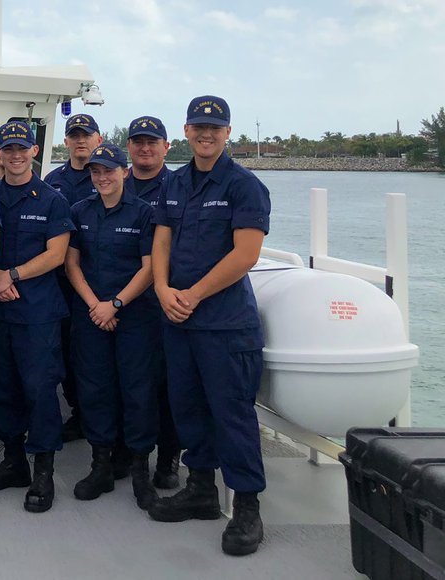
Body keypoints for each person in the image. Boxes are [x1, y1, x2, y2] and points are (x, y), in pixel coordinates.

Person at [148, 96, 270, 557]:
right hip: (178, 320)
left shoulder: (244, 186)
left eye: (214, 128)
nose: (206, 134)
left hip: (224, 325)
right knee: (189, 409)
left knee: (232, 415)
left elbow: (246, 254)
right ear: (186, 130)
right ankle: (200, 490)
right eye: (199, 126)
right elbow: (162, 240)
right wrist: (162, 288)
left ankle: (247, 508)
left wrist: (193, 295)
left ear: (227, 133)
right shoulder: (174, 182)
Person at [0, 120, 73, 514]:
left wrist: (10, 275)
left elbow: (57, 254)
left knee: (39, 390)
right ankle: (14, 462)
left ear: (34, 151)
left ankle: (43, 470)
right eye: (8, 149)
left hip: (37, 314)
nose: (15, 155)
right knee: (0, 388)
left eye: (22, 148)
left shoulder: (52, 199)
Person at [65, 142, 160, 510]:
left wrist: (116, 303)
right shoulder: (80, 211)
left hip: (134, 316)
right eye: (96, 171)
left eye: (109, 170)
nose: (102, 177)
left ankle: (139, 471)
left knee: (137, 390)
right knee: (95, 389)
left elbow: (149, 268)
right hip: (92, 315)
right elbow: (72, 264)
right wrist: (96, 305)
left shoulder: (144, 213)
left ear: (125, 172)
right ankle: (101, 465)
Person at [125, 115, 181, 490]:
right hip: (126, 304)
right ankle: (132, 457)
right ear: (129, 146)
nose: (145, 148)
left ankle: (169, 457)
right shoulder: (114, 182)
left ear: (166, 146)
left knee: (169, 387)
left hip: (166, 303)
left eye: (153, 142)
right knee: (134, 386)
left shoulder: (179, 187)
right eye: (139, 141)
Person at [43, 112, 104, 442]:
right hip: (60, 282)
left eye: (87, 134)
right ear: (66, 141)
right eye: (75, 135)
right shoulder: (53, 181)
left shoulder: (109, 176)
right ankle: (78, 413)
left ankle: (97, 418)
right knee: (65, 351)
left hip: (99, 280)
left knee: (94, 358)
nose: (81, 140)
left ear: (99, 139)